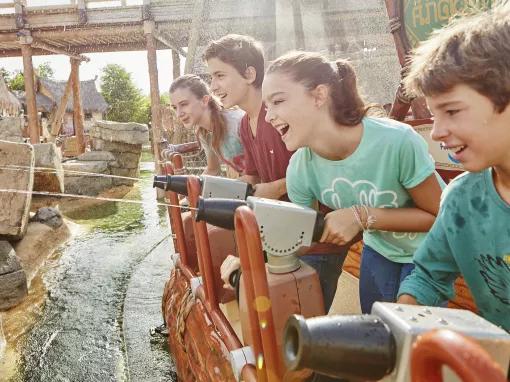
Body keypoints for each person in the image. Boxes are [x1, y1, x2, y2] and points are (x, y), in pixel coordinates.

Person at [262, 51, 444, 313]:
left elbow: (439, 216)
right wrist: (253, 259)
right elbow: (300, 241)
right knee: (378, 335)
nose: (268, 116)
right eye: (267, 107)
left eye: (277, 101)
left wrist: (361, 216)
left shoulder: (395, 142)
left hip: (431, 251)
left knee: (414, 338)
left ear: (319, 95)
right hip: (379, 250)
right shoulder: (300, 169)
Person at [204, 34, 345, 310]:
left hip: (317, 237)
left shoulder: (284, 116)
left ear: (249, 74)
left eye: (220, 75)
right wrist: (214, 194)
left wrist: (277, 188)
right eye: (211, 78)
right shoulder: (246, 124)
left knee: (302, 317)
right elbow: (253, 177)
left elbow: (320, 163)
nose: (213, 86)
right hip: (282, 233)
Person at [397, 4, 510, 332]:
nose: (436, 132)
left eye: (452, 111)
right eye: (434, 115)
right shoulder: (462, 200)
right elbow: (429, 278)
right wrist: (402, 326)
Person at [169, 74, 245, 176]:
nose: (178, 114)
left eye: (184, 104)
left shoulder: (237, 122)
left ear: (204, 100)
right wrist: (191, 186)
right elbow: (212, 169)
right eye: (175, 107)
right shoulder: (204, 133)